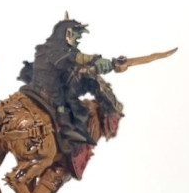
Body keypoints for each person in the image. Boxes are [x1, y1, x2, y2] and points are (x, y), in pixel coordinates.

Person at [18, 18, 120, 152]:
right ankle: (69, 137)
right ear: (68, 34)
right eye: (76, 36)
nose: (77, 41)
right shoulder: (58, 52)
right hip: (52, 95)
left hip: (44, 88)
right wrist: (102, 62)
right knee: (77, 116)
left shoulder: (51, 49)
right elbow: (78, 58)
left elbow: (75, 67)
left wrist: (105, 65)